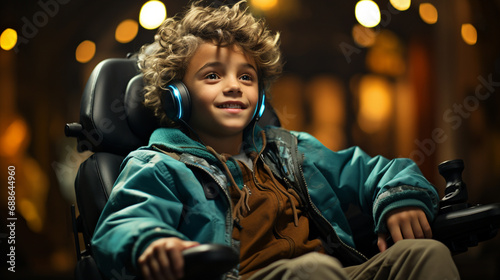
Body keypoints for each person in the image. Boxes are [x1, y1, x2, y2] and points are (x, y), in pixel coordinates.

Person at [91, 1, 460, 279]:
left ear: (261, 96)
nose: (234, 85)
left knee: (425, 254)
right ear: (177, 96)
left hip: (327, 273)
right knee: (314, 270)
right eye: (213, 76)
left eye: (247, 77)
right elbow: (121, 224)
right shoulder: (158, 164)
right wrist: (152, 242)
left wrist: (400, 200)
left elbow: (376, 170)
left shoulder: (290, 150)